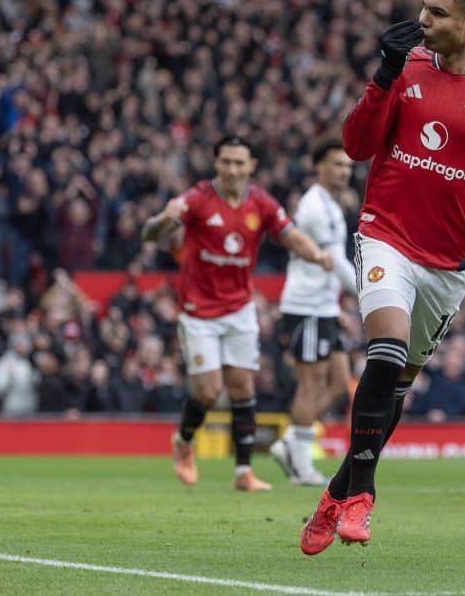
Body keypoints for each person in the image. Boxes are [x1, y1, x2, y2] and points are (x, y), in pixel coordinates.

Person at [300, 0, 465, 553]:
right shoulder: (407, 65)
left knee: (393, 390)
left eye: (436, 13)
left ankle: (335, 493)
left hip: (448, 263)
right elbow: (357, 146)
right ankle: (363, 493)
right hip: (385, 233)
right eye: (423, 6)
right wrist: (382, 76)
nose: (422, 20)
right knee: (383, 352)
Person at [142, 136, 334, 492]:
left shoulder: (260, 203)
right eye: (226, 162)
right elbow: (150, 234)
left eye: (239, 163)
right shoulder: (197, 198)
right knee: (209, 390)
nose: (232, 169)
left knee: (243, 386)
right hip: (199, 311)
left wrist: (319, 256)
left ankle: (243, 472)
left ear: (251, 166)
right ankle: (183, 443)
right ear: (216, 164)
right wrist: (161, 220)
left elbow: (291, 236)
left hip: (240, 309)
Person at [270, 140, 357, 486]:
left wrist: (336, 308)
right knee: (311, 385)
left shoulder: (331, 206)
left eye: (348, 167)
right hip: (306, 306)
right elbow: (335, 263)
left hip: (323, 306)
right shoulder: (314, 208)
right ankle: (302, 468)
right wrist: (368, 296)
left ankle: (290, 443)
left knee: (338, 384)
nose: (344, 172)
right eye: (337, 165)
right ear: (319, 166)